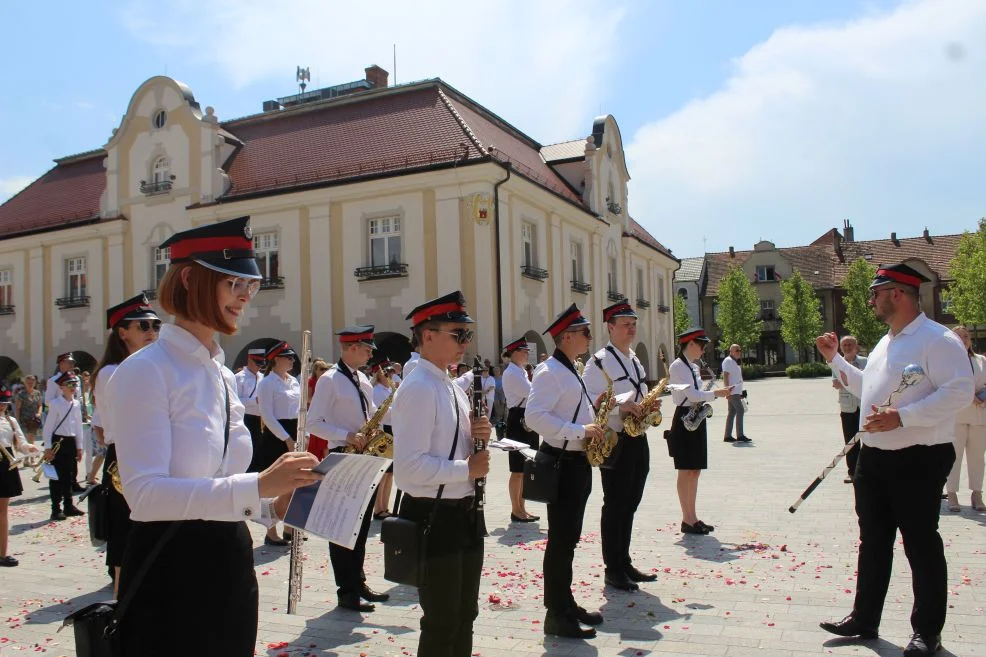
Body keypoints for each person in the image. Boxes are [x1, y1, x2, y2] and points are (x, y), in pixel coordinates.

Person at [104, 215, 321, 656]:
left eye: (251, 286)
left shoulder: (223, 375)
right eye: (233, 284)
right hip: (171, 568)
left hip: (229, 560)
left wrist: (276, 502)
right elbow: (144, 497)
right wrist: (259, 484)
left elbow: (225, 479)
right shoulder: (144, 372)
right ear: (189, 278)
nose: (244, 297)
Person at [816, 263, 973, 657]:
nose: (870, 300)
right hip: (876, 458)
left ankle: (927, 632)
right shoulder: (887, 341)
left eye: (875, 292)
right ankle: (864, 618)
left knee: (920, 544)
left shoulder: (937, 340)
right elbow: (868, 386)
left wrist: (902, 417)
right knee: (873, 541)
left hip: (919, 458)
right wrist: (836, 360)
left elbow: (959, 391)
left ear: (898, 293)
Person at [392, 291, 491, 657]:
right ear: (428, 335)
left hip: (462, 512)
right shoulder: (418, 388)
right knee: (442, 620)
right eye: (458, 334)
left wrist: (479, 437)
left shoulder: (450, 385)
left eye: (467, 334)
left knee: (465, 613)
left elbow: (454, 447)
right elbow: (407, 469)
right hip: (434, 516)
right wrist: (467, 468)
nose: (466, 342)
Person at [526, 303, 606, 639]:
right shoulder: (549, 372)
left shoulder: (571, 369)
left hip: (577, 463)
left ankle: (565, 601)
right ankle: (556, 614)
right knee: (560, 541)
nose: (589, 337)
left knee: (569, 540)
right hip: (561, 462)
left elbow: (571, 411)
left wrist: (597, 410)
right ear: (567, 336)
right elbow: (534, 418)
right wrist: (581, 431)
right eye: (585, 332)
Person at [306, 325, 389, 612]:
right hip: (344, 453)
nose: (370, 353)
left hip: (365, 454)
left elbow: (373, 411)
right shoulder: (330, 380)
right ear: (351, 347)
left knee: (362, 524)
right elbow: (313, 422)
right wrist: (347, 435)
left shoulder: (363, 379)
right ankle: (346, 590)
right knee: (343, 525)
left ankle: (359, 581)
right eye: (367, 348)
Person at [583, 299, 656, 591]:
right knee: (615, 504)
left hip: (638, 437)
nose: (631, 329)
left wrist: (648, 404)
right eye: (625, 324)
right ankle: (612, 568)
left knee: (631, 501)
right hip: (614, 440)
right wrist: (619, 409)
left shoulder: (635, 359)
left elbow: (640, 391)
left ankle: (623, 561)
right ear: (610, 327)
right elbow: (590, 404)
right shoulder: (598, 362)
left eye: (634, 323)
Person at [92, 293, 161, 595]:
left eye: (156, 326)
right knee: (126, 534)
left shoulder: (141, 367)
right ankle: (123, 611)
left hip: (141, 451)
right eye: (142, 326)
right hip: (126, 454)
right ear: (122, 333)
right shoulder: (113, 371)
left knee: (143, 531)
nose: (151, 332)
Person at [667, 328, 732, 535]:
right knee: (685, 469)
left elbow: (697, 394)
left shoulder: (693, 367)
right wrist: (716, 393)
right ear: (691, 344)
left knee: (695, 470)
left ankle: (693, 517)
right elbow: (693, 395)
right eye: (702, 346)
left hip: (695, 417)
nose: (703, 350)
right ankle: (687, 518)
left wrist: (710, 394)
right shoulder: (678, 366)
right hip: (685, 417)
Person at [255, 340, 302, 546]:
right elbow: (267, 414)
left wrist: (302, 433)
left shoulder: (293, 381)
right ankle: (271, 530)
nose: (292, 361)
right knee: (274, 484)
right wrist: (286, 439)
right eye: (288, 357)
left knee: (293, 482)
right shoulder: (267, 383)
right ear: (276, 360)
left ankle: (290, 527)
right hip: (276, 436)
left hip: (294, 430)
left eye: (292, 357)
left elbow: (301, 409)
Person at [945, 325, 986, 512]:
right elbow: (947, 386)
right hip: (957, 415)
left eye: (966, 336)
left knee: (977, 457)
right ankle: (952, 493)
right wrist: (970, 395)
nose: (963, 339)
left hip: (980, 414)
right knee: (954, 456)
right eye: (958, 336)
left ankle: (977, 493)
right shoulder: (948, 362)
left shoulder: (981, 360)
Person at [500, 337, 540, 522]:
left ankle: (522, 507)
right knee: (517, 469)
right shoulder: (512, 373)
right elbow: (532, 393)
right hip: (518, 420)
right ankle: (516, 509)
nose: (527, 354)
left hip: (526, 419)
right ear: (515, 352)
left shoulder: (520, 371)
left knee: (526, 468)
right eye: (524, 351)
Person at [42, 371, 85, 521]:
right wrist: (48, 447)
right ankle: (56, 508)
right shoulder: (55, 403)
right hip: (58, 442)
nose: (73, 387)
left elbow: (78, 426)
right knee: (56, 477)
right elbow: (48, 427)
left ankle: (69, 505)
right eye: (70, 384)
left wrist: (79, 447)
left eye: (75, 384)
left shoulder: (76, 404)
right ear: (62, 387)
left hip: (70, 442)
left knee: (70, 476)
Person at [833, 335, 867, 483]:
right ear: (841, 348)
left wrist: (847, 380)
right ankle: (852, 472)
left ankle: (866, 471)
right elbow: (836, 383)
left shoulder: (865, 362)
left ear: (856, 346)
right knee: (851, 441)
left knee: (869, 439)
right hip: (848, 407)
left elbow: (869, 380)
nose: (847, 347)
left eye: (850, 344)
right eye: (844, 345)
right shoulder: (837, 363)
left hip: (865, 405)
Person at [0, 389, 27, 566]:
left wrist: (29, 447)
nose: (2, 406)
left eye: (4, 403)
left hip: (5, 463)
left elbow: (21, 441)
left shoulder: (10, 420)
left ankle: (2, 553)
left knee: (2, 511)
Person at [370, 359, 398, 519]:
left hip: (394, 429)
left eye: (391, 373)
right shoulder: (376, 391)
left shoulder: (390, 389)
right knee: (382, 472)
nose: (389, 375)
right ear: (378, 375)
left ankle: (385, 507)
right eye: (386, 373)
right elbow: (376, 413)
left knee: (390, 473)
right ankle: (377, 508)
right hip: (383, 430)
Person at [236, 348, 266, 472]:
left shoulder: (263, 377)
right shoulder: (239, 378)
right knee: (248, 447)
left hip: (262, 418)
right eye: (256, 363)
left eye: (261, 364)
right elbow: (235, 401)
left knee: (261, 448)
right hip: (246, 417)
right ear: (249, 360)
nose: (259, 367)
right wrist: (254, 401)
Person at [721, 344, 750, 443]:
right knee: (740, 410)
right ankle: (740, 435)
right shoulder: (728, 361)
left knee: (732, 412)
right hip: (732, 392)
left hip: (735, 391)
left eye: (740, 350)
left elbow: (736, 378)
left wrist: (740, 390)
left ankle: (727, 436)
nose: (739, 352)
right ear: (731, 351)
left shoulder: (733, 361)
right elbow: (725, 376)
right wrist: (727, 391)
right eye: (737, 350)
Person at [14, 375, 42, 463]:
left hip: (34, 420)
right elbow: (18, 408)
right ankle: (27, 458)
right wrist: (17, 421)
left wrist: (39, 413)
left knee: (32, 438)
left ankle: (31, 457)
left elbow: (40, 405)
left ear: (35, 383)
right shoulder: (21, 394)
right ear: (25, 383)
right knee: (27, 439)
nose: (30, 384)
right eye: (28, 383)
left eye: (32, 382)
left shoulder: (37, 393)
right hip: (24, 420)